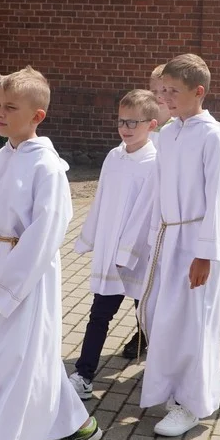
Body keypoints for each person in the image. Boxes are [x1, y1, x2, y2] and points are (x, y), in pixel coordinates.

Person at [0, 66, 102, 440]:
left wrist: (3, 291)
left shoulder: (47, 166)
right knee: (29, 357)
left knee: (9, 363)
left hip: (30, 276)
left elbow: (44, 235)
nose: (0, 114)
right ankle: (78, 425)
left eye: (11, 108)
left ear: (37, 116)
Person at [139, 53, 220, 437]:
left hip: (195, 238)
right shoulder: (168, 133)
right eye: (163, 91)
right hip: (167, 236)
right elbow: (158, 189)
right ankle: (169, 390)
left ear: (199, 92)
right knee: (166, 318)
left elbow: (214, 199)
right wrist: (150, 239)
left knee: (193, 322)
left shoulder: (213, 136)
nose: (166, 98)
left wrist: (204, 253)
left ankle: (192, 403)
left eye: (173, 92)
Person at [67, 89, 159, 398]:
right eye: (122, 121)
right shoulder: (114, 156)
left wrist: (126, 252)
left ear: (152, 125)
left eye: (134, 122)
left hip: (138, 255)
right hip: (110, 254)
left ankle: (161, 373)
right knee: (99, 314)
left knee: (147, 314)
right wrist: (90, 237)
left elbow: (145, 213)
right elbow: (102, 199)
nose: (126, 128)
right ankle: (84, 374)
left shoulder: (154, 162)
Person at [149, 63, 174, 146]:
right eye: (154, 91)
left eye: (164, 91)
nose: (158, 96)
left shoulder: (178, 127)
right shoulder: (143, 123)